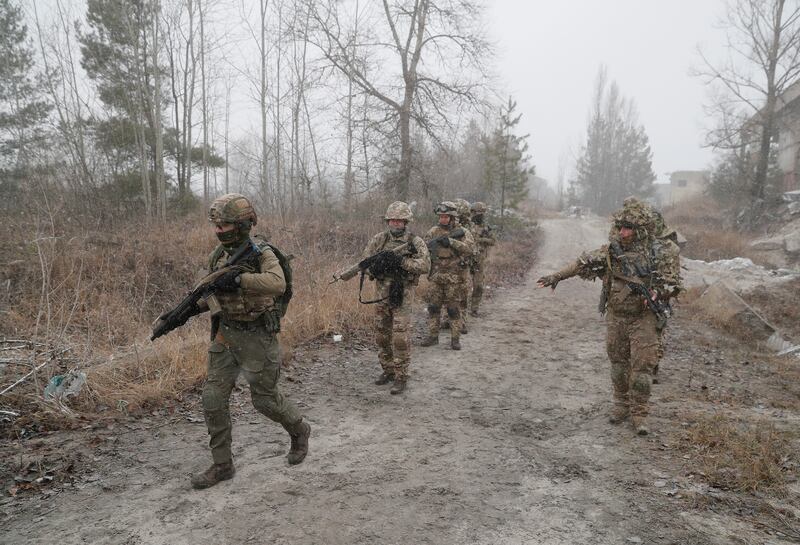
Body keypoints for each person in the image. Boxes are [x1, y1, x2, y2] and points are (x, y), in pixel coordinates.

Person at [190, 193, 310, 489]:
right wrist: (195, 304)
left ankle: (299, 429)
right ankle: (222, 465)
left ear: (243, 225)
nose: (219, 231)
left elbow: (277, 283)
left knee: (265, 401)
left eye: (226, 225)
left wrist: (240, 280)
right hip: (226, 334)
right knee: (213, 398)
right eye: (216, 225)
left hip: (258, 336)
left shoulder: (262, 253)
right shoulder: (217, 255)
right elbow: (212, 291)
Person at [537, 197, 682, 435]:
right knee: (618, 365)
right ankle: (621, 405)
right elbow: (581, 263)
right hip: (616, 317)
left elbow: (672, 282)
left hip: (644, 318)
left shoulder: (660, 253)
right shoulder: (611, 252)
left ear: (641, 230)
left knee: (642, 369)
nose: (623, 232)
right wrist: (556, 277)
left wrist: (658, 293)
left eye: (628, 228)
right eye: (620, 227)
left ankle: (639, 414)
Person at [359, 202, 431, 394]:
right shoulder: (379, 240)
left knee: (400, 337)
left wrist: (401, 262)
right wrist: (378, 266)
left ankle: (401, 376)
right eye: (393, 220)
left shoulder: (415, 242)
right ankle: (387, 370)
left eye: (400, 220)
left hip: (403, 295)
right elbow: (365, 262)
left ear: (406, 222)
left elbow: (425, 266)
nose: (396, 224)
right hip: (381, 295)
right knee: (382, 335)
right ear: (388, 221)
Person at [421, 201, 476, 350]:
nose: (443, 219)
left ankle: (455, 339)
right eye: (441, 216)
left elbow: (470, 250)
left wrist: (451, 242)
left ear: (452, 217)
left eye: (446, 216)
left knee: (453, 309)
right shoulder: (433, 231)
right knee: (433, 307)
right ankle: (433, 336)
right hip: (437, 275)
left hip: (454, 276)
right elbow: (424, 249)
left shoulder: (463, 232)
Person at [468, 201, 497, 317]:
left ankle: (474, 308)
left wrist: (481, 239)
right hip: (466, 259)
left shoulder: (486, 227)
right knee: (461, 285)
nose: (480, 215)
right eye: (478, 212)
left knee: (478, 285)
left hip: (479, 260)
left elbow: (493, 241)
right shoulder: (466, 225)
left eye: (482, 213)